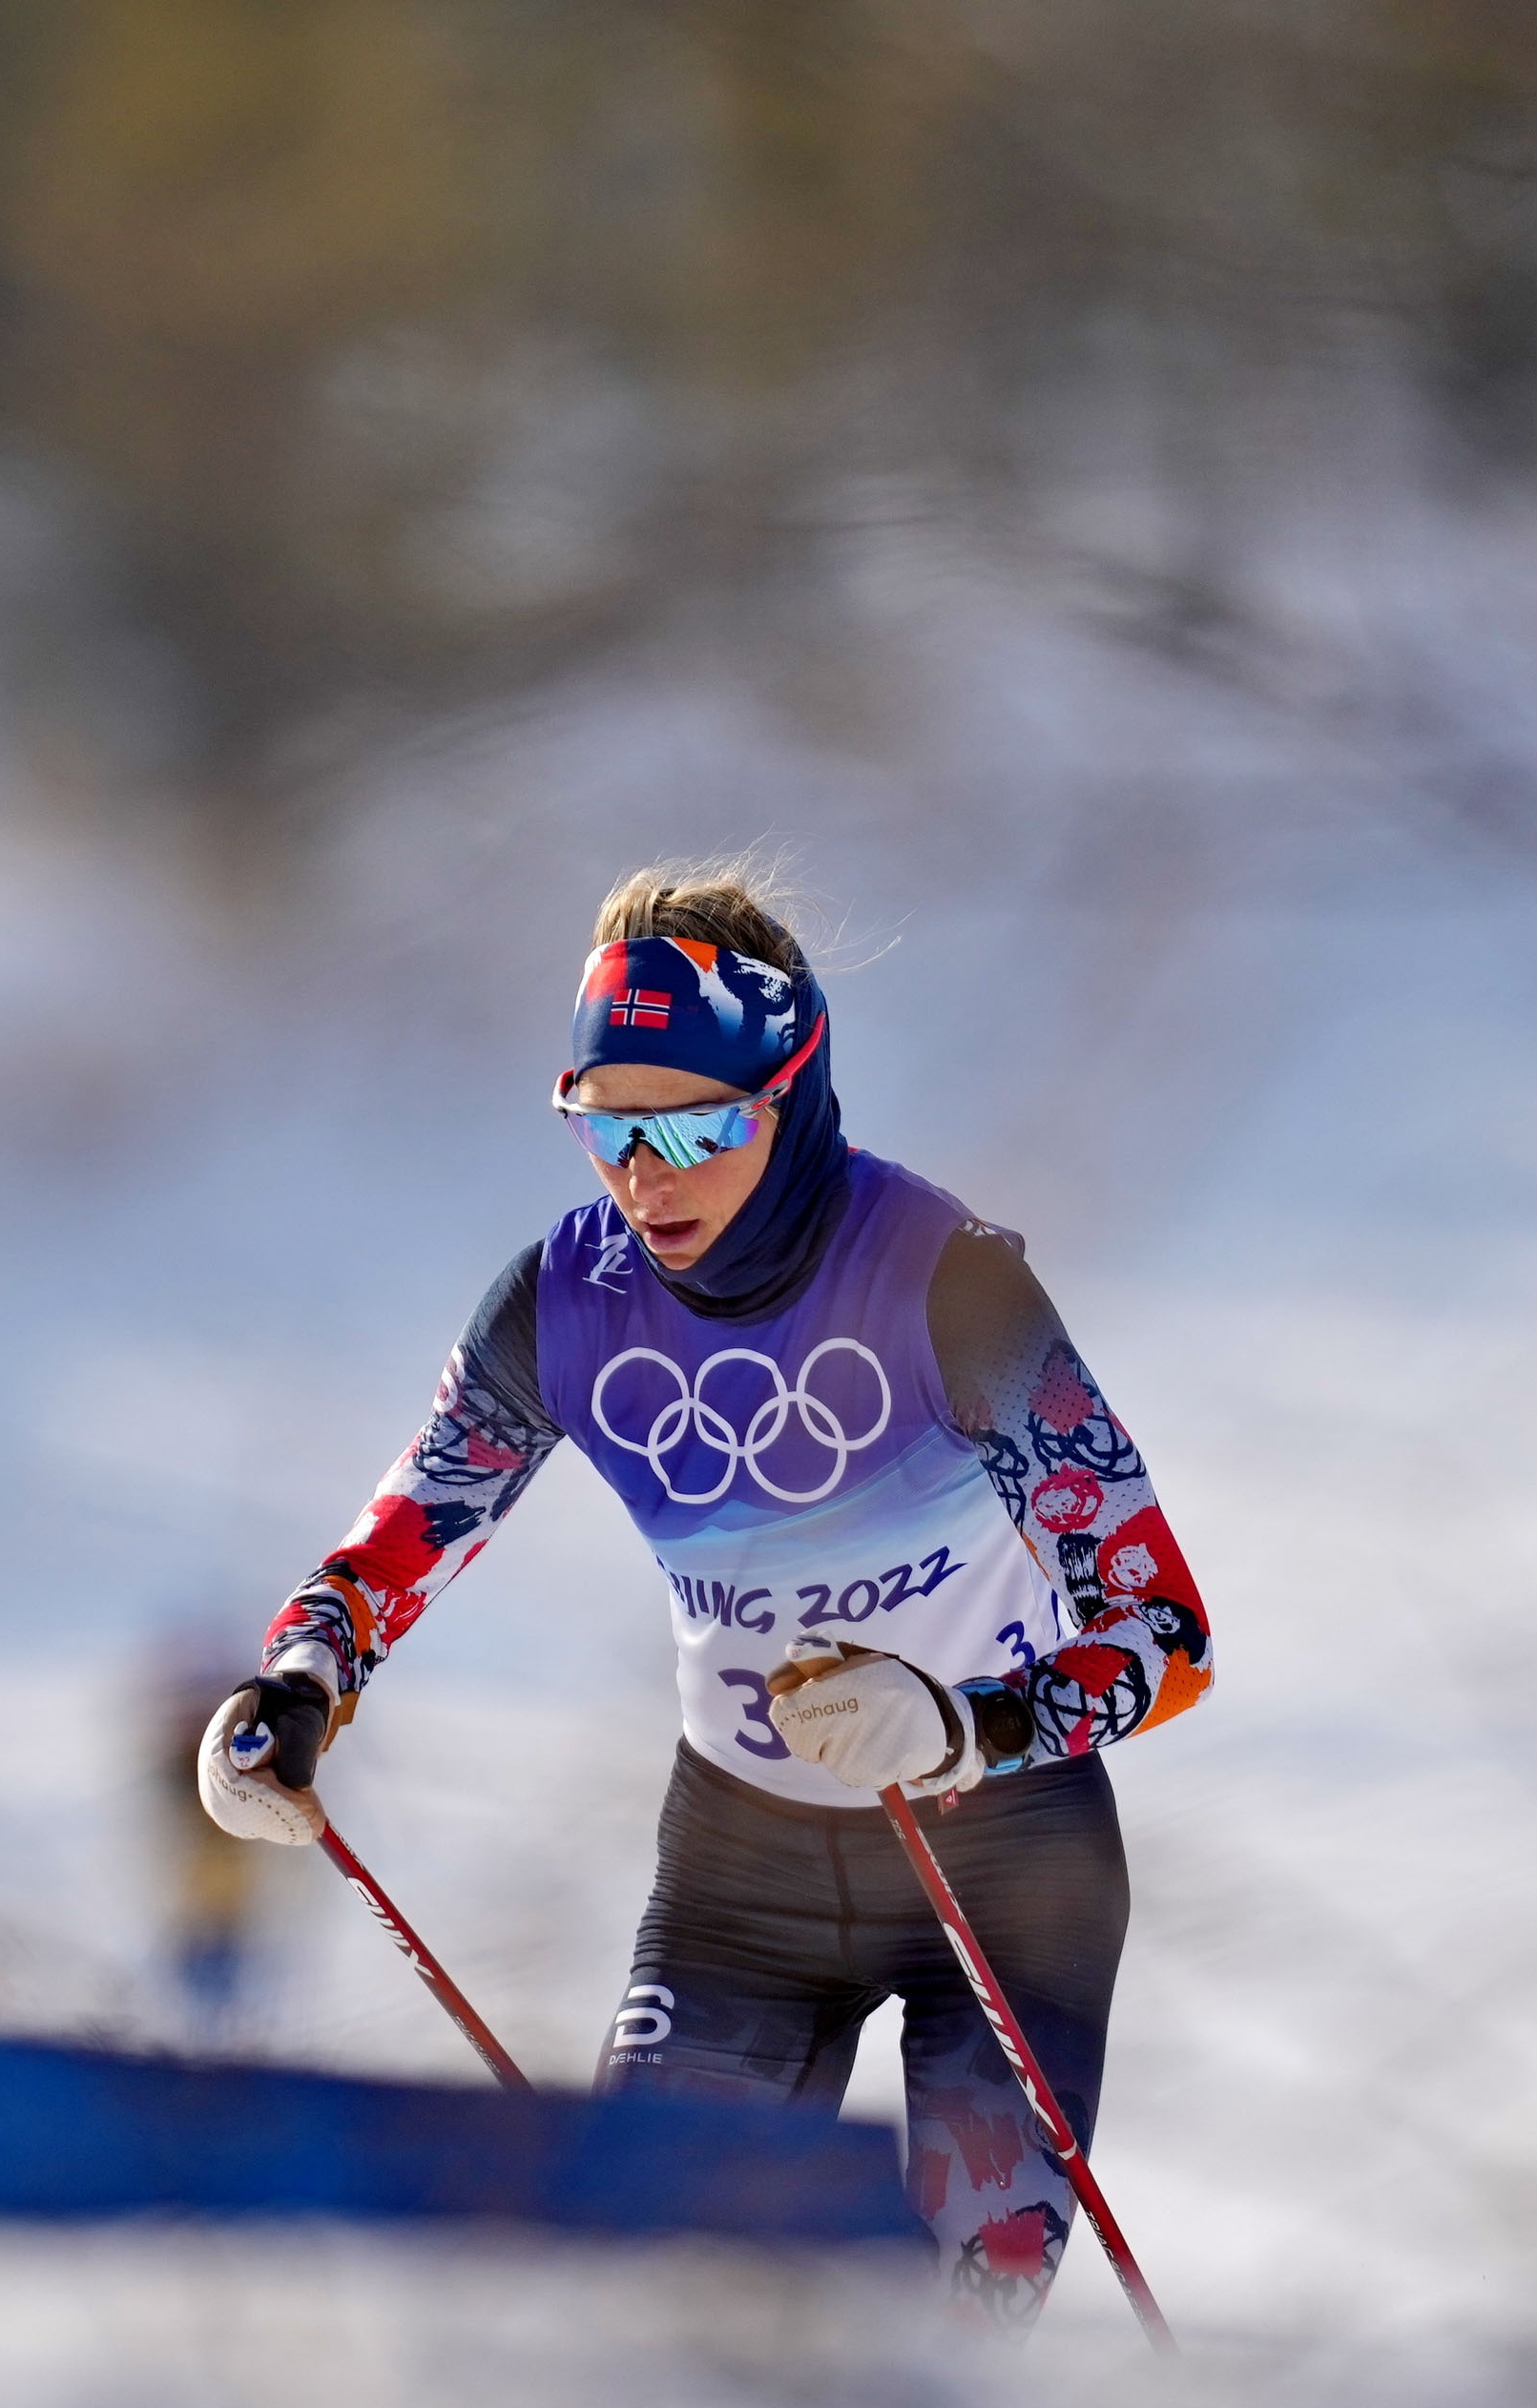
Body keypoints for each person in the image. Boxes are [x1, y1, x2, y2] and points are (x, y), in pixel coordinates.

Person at [192, 857, 1213, 2325]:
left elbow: (1164, 1638)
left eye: (694, 1125)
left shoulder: (945, 1285)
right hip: (742, 1878)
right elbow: (405, 1529)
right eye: (603, 1126)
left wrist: (957, 1727)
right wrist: (299, 1679)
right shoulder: (562, 1302)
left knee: (938, 2332)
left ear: (788, 1097)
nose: (642, 1173)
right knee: (645, 2309)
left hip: (1002, 1865)